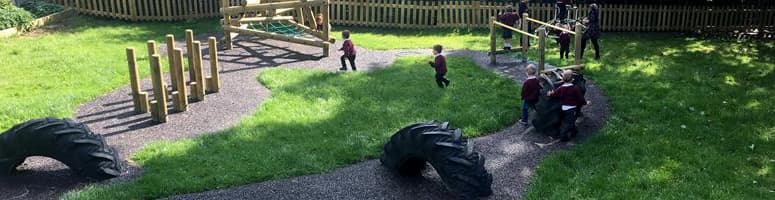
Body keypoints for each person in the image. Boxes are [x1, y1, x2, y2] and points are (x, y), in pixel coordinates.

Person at [547, 70, 588, 142]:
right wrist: (585, 102)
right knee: (568, 122)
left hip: (564, 108)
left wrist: (550, 94)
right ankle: (566, 135)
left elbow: (555, 94)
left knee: (568, 122)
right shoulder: (575, 88)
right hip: (572, 109)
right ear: (572, 79)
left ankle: (569, 134)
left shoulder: (561, 88)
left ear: (562, 79)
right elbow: (580, 98)